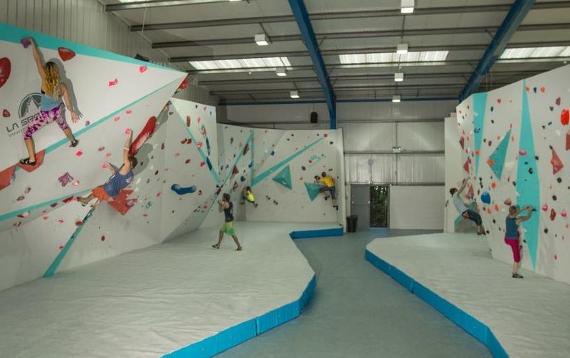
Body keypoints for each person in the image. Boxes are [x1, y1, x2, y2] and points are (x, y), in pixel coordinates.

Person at [20, 37, 81, 166]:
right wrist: (72, 112)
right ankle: (73, 141)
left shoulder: (44, 80)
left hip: (46, 115)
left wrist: (32, 42)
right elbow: (68, 102)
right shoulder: (62, 86)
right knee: (63, 125)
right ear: (57, 72)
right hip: (58, 111)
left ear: (47, 72)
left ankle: (31, 160)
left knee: (26, 133)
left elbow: (37, 59)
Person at [79, 130, 137, 207]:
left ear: (130, 164)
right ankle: (95, 203)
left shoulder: (127, 166)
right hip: (113, 192)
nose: (126, 161)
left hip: (108, 189)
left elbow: (125, 151)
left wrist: (129, 137)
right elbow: (116, 177)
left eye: (128, 161)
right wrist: (110, 167)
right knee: (98, 193)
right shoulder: (130, 175)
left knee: (97, 192)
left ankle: (86, 200)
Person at [505, 205, 533, 279]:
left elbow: (515, 213)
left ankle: (518, 248)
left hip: (507, 239)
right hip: (513, 241)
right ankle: (514, 273)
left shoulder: (507, 217)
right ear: (515, 212)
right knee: (517, 258)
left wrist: (524, 208)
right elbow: (528, 217)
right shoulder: (518, 220)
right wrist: (530, 211)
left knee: (517, 233)